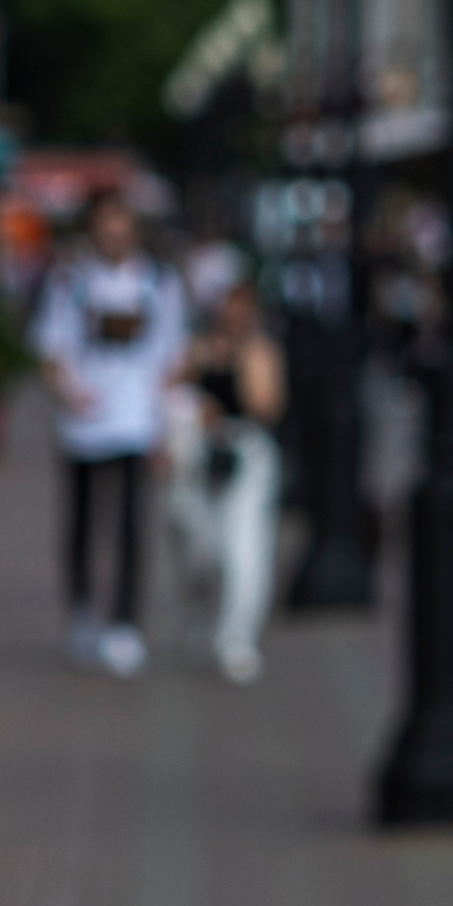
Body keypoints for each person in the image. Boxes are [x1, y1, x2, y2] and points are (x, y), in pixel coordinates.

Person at [31, 193, 188, 677]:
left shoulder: (159, 283)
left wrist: (162, 417)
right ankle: (83, 609)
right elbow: (50, 349)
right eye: (105, 229)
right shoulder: (69, 283)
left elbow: (174, 354)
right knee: (82, 521)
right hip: (84, 421)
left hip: (135, 419)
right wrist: (67, 389)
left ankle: (125, 622)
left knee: (130, 525)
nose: (114, 238)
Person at [164, 280, 286, 683]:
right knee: (197, 546)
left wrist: (242, 365)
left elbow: (266, 407)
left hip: (245, 456)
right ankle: (199, 622)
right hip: (200, 455)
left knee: (243, 549)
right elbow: (167, 388)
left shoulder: (261, 351)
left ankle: (236, 637)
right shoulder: (198, 347)